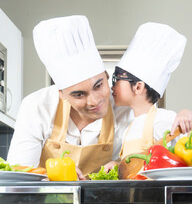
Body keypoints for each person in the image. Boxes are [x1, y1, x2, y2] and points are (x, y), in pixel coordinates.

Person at [7, 17, 192, 180]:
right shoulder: (37, 107)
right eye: (79, 94)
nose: (95, 101)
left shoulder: (127, 112)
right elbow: (18, 172)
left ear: (105, 74)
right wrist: (55, 175)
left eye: (99, 85)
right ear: (61, 93)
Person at [104, 22, 192, 171]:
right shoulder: (129, 127)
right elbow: (138, 166)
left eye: (117, 79)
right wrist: (117, 165)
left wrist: (187, 116)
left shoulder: (163, 119)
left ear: (138, 87)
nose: (112, 85)